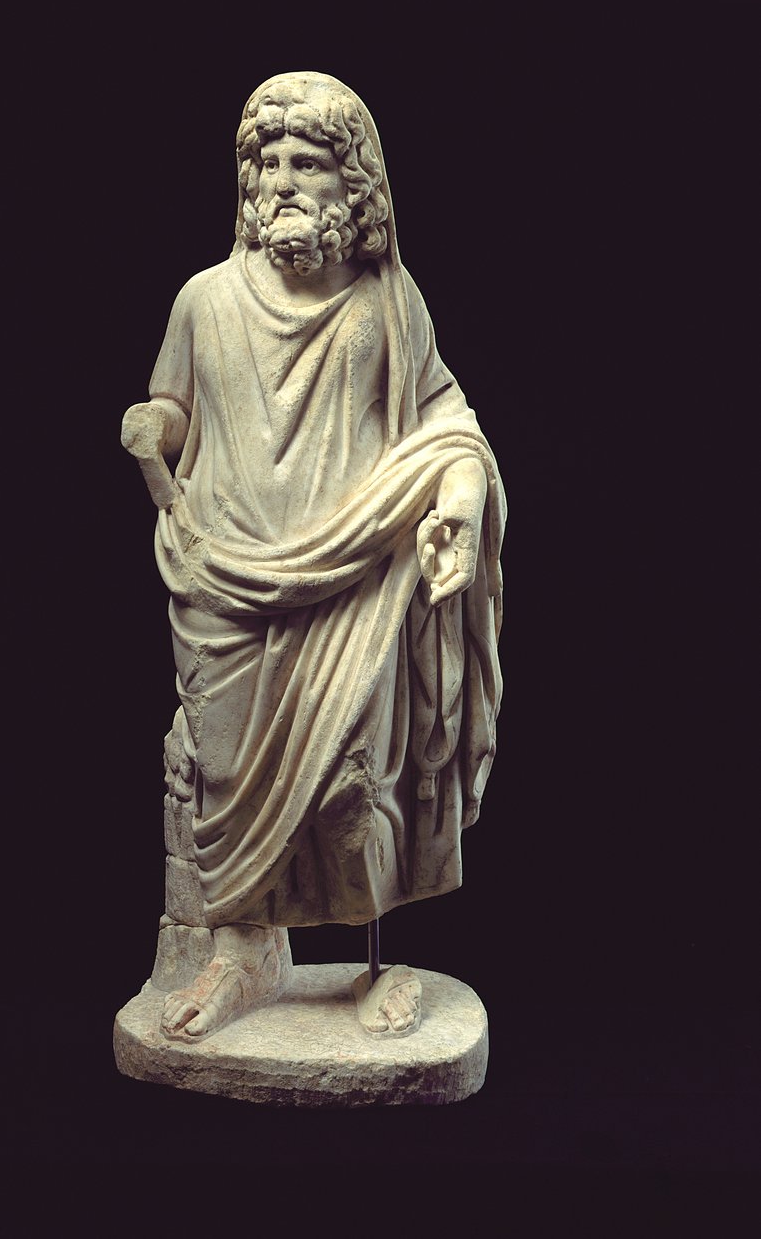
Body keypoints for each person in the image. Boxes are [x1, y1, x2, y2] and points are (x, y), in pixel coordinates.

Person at [121, 71, 505, 1042]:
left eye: (308, 163)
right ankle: (240, 956)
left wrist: (459, 504)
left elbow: (446, 423)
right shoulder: (205, 301)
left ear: (354, 184)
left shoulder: (387, 304)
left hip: (354, 576)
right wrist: (152, 425)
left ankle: (372, 960)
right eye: (269, 164)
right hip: (223, 582)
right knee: (223, 778)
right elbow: (176, 407)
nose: (284, 183)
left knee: (351, 782)